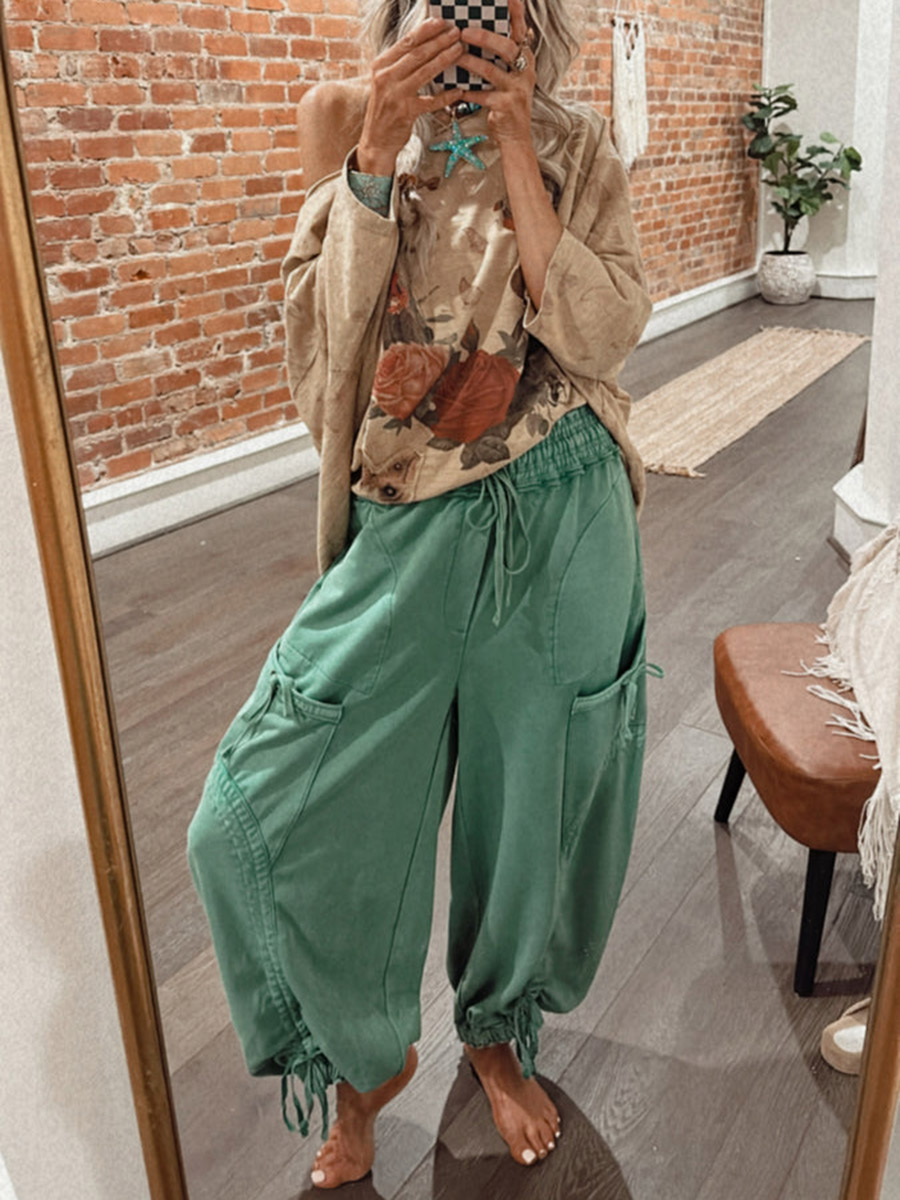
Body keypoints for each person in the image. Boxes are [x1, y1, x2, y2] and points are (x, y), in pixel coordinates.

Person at [186, 0, 659, 1188]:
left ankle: (498, 1038)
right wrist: (375, 153)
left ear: (532, 21)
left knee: (536, 800)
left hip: (563, 508)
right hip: (404, 518)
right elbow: (322, 361)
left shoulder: (578, 141)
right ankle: (362, 1061)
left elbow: (603, 337)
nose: (469, 26)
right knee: (262, 802)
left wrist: (520, 148)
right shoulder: (349, 115)